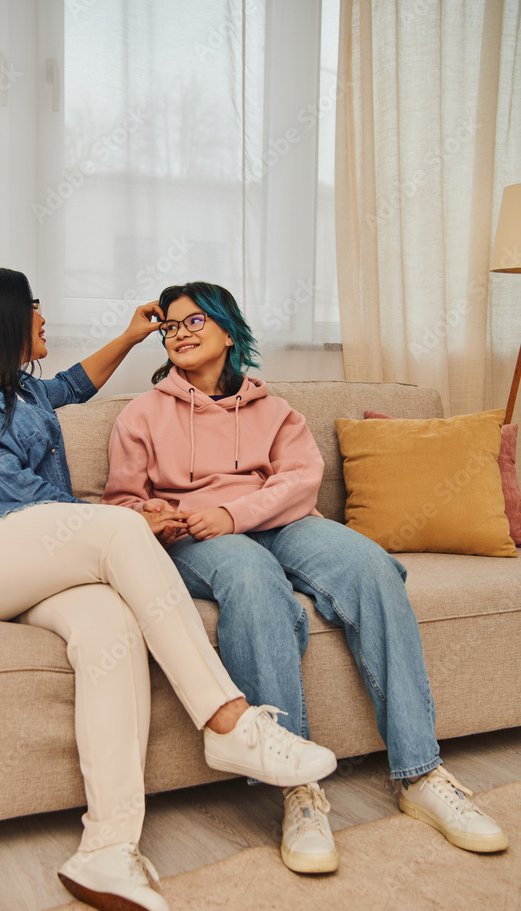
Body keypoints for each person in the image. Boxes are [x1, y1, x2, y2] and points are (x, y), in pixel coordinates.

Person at [0, 268, 339, 911]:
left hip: (14, 562)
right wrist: (125, 518)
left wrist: (130, 336)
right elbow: (10, 490)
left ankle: (107, 847)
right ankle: (227, 721)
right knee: (121, 528)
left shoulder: (22, 391)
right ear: (1, 319)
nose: (44, 317)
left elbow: (75, 385)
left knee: (111, 625)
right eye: (34, 307)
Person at [102, 280, 509, 875]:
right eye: (171, 326)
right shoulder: (140, 414)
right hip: (196, 539)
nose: (180, 333)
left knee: (371, 566)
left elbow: (299, 482)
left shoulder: (274, 409)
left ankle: (421, 773)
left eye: (195, 321)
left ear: (227, 330)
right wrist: (154, 515)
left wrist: (234, 512)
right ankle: (298, 790)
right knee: (254, 581)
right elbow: (120, 505)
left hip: (281, 522)